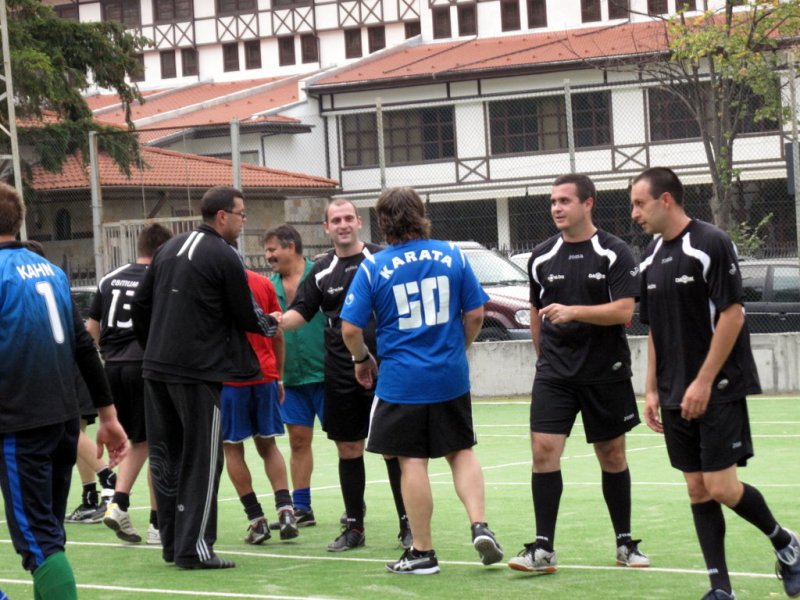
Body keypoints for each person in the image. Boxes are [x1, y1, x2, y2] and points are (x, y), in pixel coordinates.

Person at [630, 167, 799, 600]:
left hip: (718, 386)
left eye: (640, 203)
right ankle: (720, 589)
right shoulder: (649, 256)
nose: (635, 213)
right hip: (672, 391)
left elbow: (733, 314)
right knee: (696, 487)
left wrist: (703, 381)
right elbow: (654, 330)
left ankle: (786, 543)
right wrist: (650, 389)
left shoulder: (711, 243)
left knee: (721, 487)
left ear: (666, 200)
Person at [340, 186, 504, 574]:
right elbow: (477, 313)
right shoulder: (453, 254)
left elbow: (350, 328)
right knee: (460, 450)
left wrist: (361, 360)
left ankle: (423, 551)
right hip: (449, 375)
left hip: (401, 379)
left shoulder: (374, 266)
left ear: (382, 221)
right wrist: (457, 349)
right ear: (421, 213)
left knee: (411, 461)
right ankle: (479, 524)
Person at [131, 185, 278, 570]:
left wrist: (155, 348)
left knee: (167, 456)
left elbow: (140, 306)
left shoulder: (168, 248)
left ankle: (171, 544)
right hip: (196, 373)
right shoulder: (224, 255)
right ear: (222, 216)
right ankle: (195, 548)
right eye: (241, 214)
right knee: (202, 459)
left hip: (156, 369)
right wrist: (273, 324)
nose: (243, 222)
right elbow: (247, 313)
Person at [509, 174, 649, 573]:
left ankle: (625, 543)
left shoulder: (614, 251)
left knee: (611, 454)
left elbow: (624, 311)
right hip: (554, 373)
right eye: (553, 201)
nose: (556, 208)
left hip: (605, 371)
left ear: (588, 204)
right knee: (543, 453)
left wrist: (573, 311)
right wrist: (546, 359)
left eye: (565, 201)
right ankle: (542, 549)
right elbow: (537, 314)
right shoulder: (539, 256)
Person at [0, 182, 127, 599]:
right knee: (48, 533)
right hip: (61, 424)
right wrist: (107, 416)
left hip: (19, 426)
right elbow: (84, 348)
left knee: (40, 543)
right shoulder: (51, 272)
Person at [276, 198, 410, 552]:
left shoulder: (382, 259)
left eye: (349, 218)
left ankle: (408, 524)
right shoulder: (320, 269)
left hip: (388, 365)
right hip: (338, 370)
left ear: (359, 223)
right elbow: (299, 314)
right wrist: (271, 323)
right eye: (336, 220)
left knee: (393, 449)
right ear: (326, 228)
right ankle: (355, 527)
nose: (344, 224)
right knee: (349, 449)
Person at [86, 223, 173, 544]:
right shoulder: (161, 277)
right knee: (157, 442)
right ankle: (157, 523)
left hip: (112, 368)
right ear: (164, 251)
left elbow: (90, 330)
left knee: (137, 441)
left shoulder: (110, 278)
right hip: (145, 366)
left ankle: (120, 505)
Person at [221, 269, 299, 544]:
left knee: (232, 448)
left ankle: (257, 520)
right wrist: (277, 375)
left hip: (229, 379)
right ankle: (287, 509)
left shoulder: (211, 283)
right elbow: (276, 332)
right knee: (269, 445)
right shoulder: (262, 283)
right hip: (264, 374)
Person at [264, 224, 325, 528]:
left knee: (349, 443)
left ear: (291, 247)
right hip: (290, 380)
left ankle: (356, 506)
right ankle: (302, 507)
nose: (268, 256)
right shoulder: (266, 286)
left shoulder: (322, 273)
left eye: (272, 249)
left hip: (329, 374)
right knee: (298, 441)